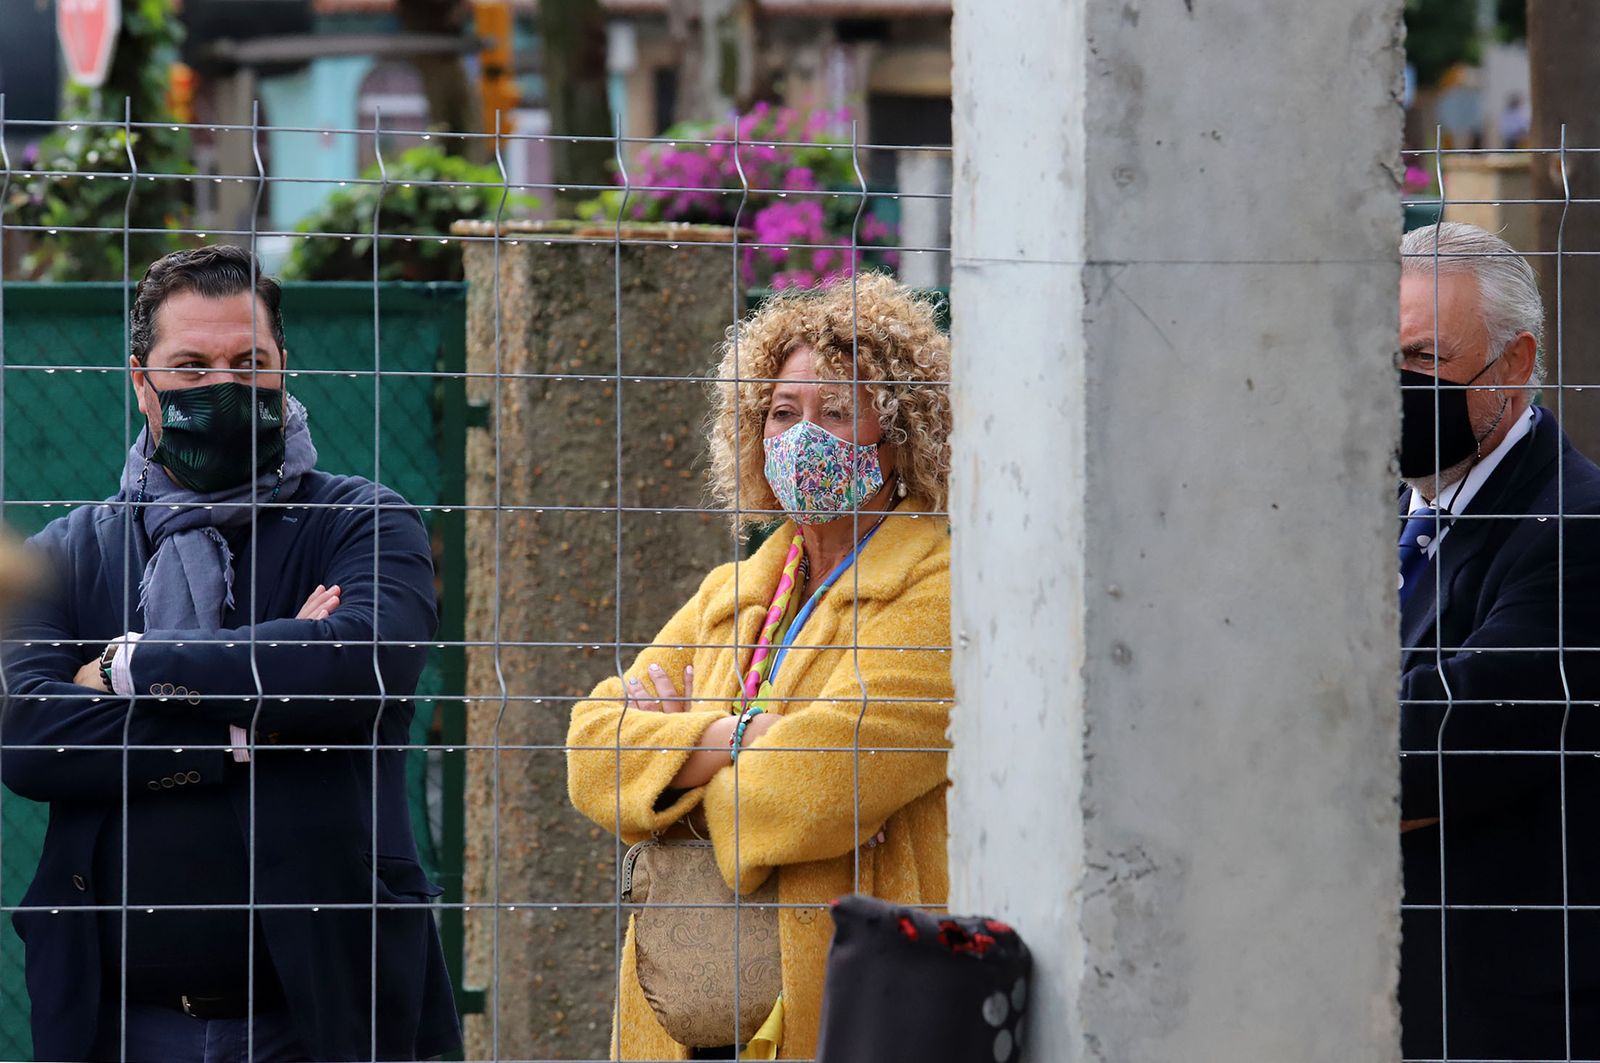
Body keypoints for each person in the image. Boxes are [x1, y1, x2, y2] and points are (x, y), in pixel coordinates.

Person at [0, 246, 461, 1062]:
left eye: (251, 361)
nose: (225, 385)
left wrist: (126, 667)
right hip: (118, 1020)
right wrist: (239, 734)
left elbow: (360, 669)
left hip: (324, 1011)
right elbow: (28, 733)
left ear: (286, 369)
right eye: (191, 365)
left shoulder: (362, 523)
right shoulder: (70, 551)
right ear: (140, 380)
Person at [567, 273, 953, 1060]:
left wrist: (677, 755)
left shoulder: (944, 589)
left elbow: (828, 781)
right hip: (691, 1015)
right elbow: (590, 747)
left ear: (900, 431)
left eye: (836, 412)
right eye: (783, 414)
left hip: (855, 997)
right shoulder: (734, 590)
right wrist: (748, 736)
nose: (802, 437)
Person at [1397, 222, 1600, 1059]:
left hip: (1499, 1012)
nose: (1392, 386)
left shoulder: (1574, 528)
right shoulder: (1341, 509)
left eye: (1424, 361)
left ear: (1514, 365)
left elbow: (1427, 750)